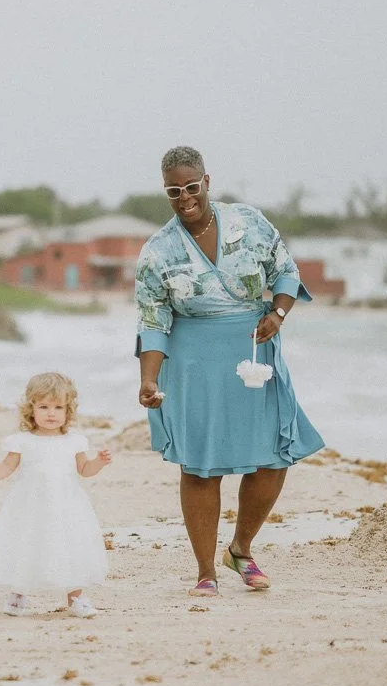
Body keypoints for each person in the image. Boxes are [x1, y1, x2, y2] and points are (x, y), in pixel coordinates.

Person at [134, 146, 324, 597]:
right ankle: (206, 571)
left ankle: (240, 549)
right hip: (193, 362)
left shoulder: (248, 222)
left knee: (275, 456)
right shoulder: (157, 251)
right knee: (201, 466)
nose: (185, 198)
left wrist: (278, 313)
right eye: (174, 191)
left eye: (191, 187)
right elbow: (153, 322)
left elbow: (285, 270)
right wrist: (148, 380)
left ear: (206, 181)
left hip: (253, 352)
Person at [0, 372, 112, 617]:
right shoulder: (22, 441)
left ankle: (76, 598)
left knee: (69, 546)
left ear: (68, 410)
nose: (51, 413)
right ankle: (18, 595)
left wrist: (99, 462)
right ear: (31, 408)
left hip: (66, 505)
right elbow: (7, 466)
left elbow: (84, 470)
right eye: (44, 407)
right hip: (30, 505)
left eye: (58, 407)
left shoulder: (75, 441)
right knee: (26, 544)